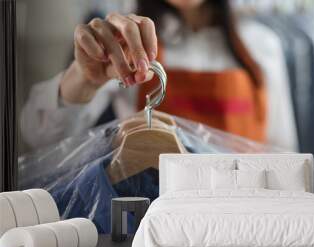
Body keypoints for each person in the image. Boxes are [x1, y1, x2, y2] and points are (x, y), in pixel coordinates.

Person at [20, 0, 298, 151]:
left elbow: (283, 153)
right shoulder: (123, 42)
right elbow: (39, 138)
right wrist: (84, 78)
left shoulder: (262, 45)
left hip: (240, 223)